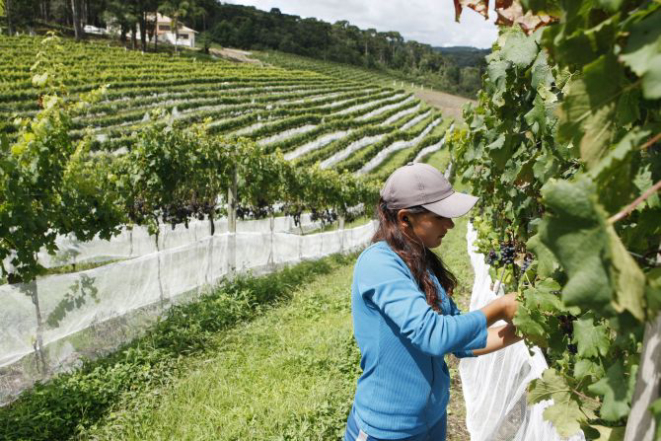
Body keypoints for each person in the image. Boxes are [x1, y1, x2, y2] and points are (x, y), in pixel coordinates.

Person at [344, 163, 521, 441]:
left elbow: (459, 341)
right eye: (440, 216)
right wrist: (500, 308)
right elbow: (433, 335)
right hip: (387, 431)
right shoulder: (378, 263)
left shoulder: (422, 265)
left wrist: (523, 330)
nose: (449, 224)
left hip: (432, 421)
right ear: (405, 219)